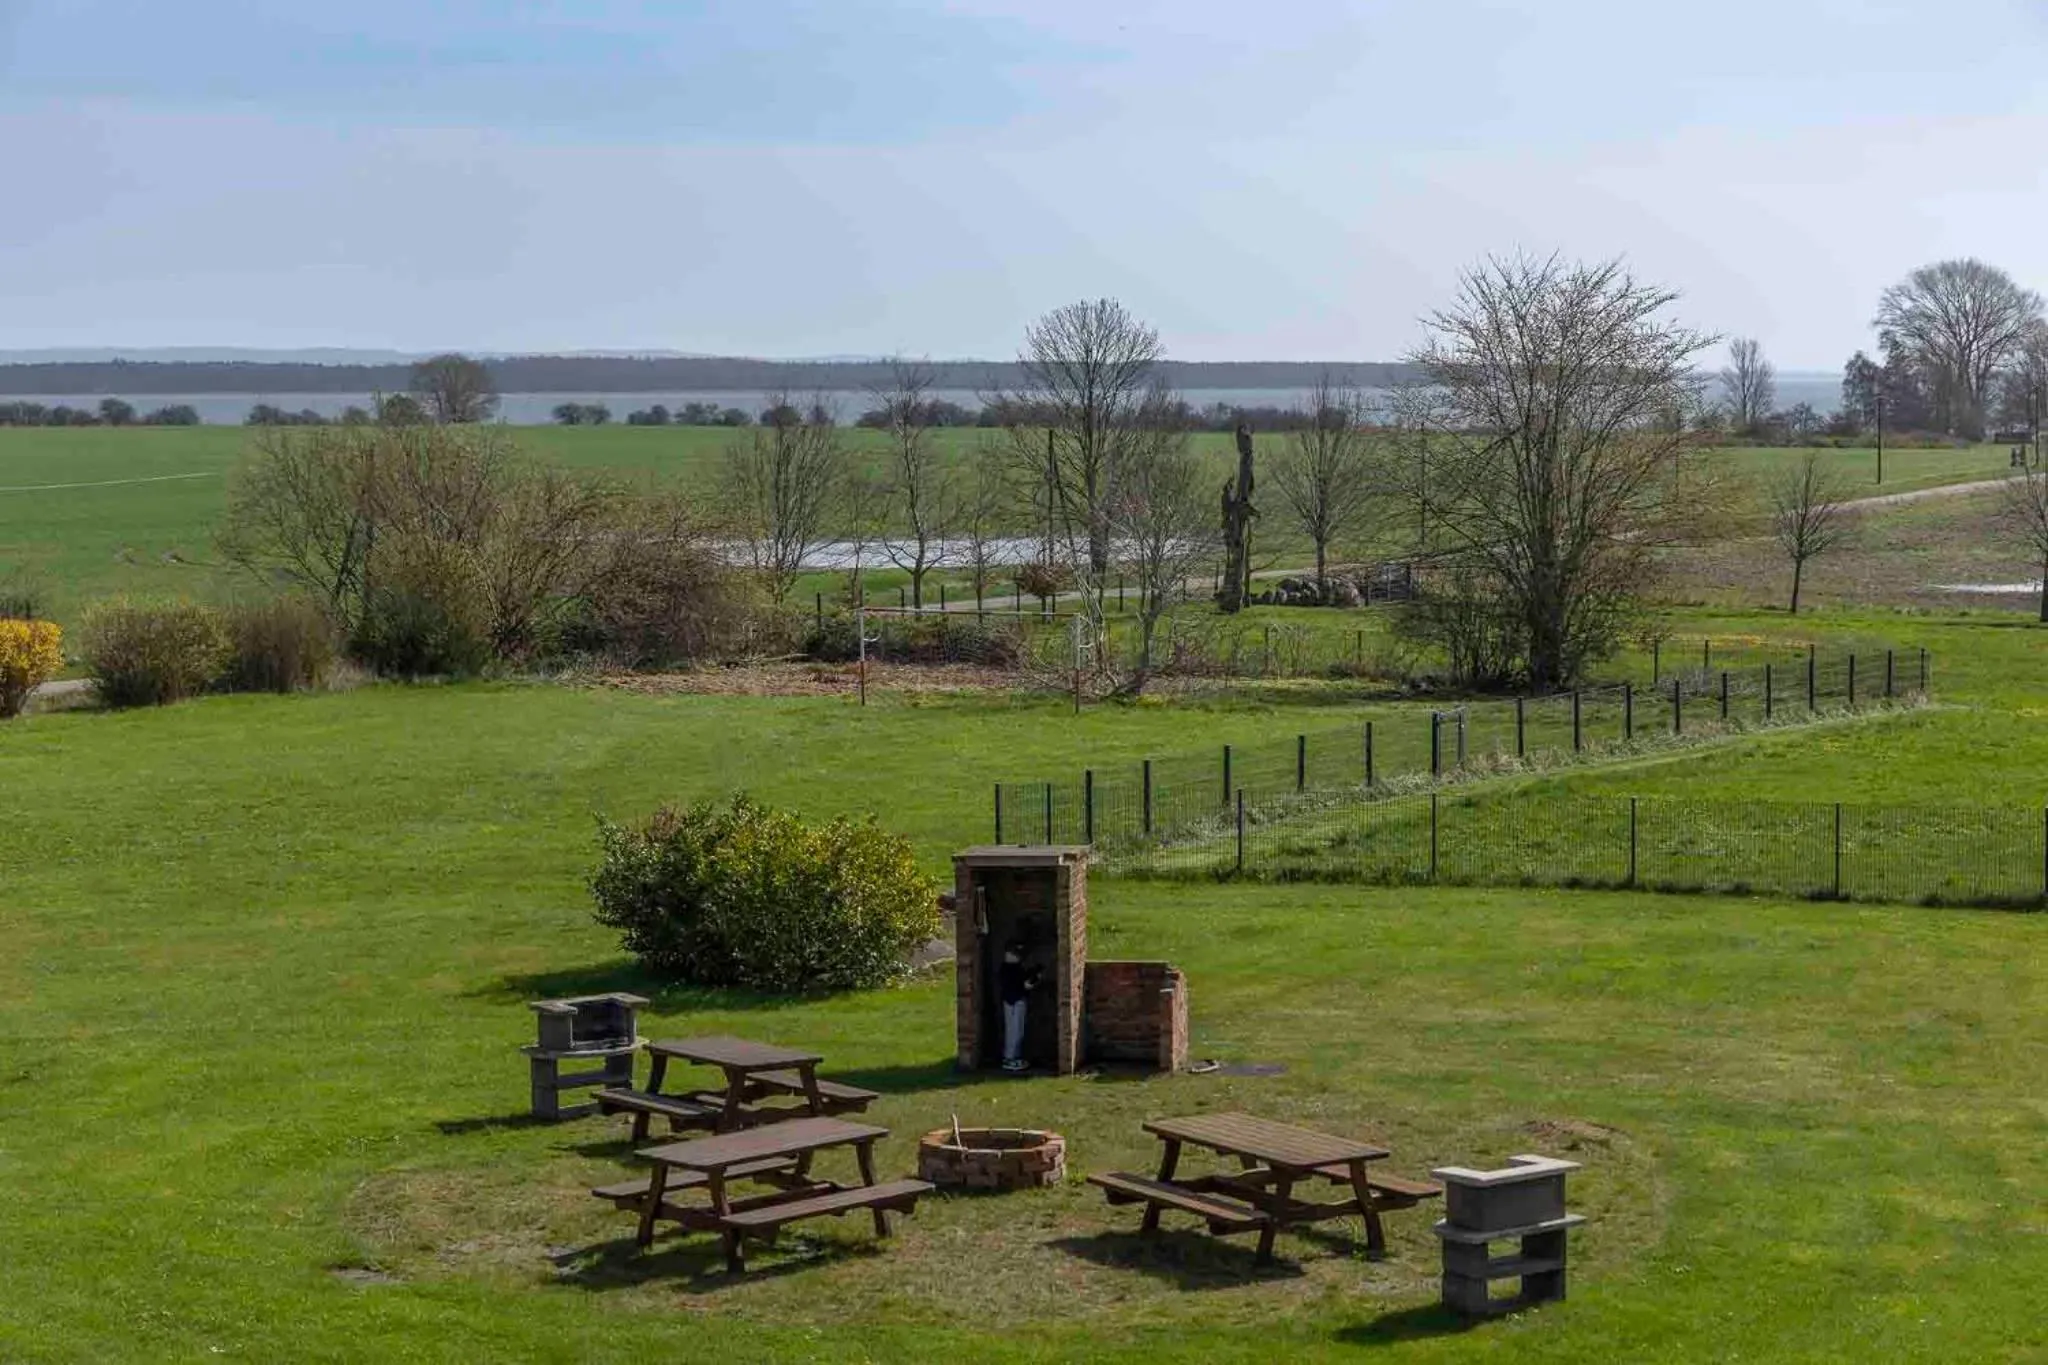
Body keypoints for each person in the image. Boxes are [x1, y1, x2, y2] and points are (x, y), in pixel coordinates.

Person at [998, 943, 1041, 1072]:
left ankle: (1014, 1057)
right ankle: (1010, 1058)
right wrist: (1034, 979)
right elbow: (1025, 985)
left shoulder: (1010, 968)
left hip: (1013, 1001)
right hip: (1015, 1002)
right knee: (1014, 1031)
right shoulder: (1011, 969)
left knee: (1016, 1030)